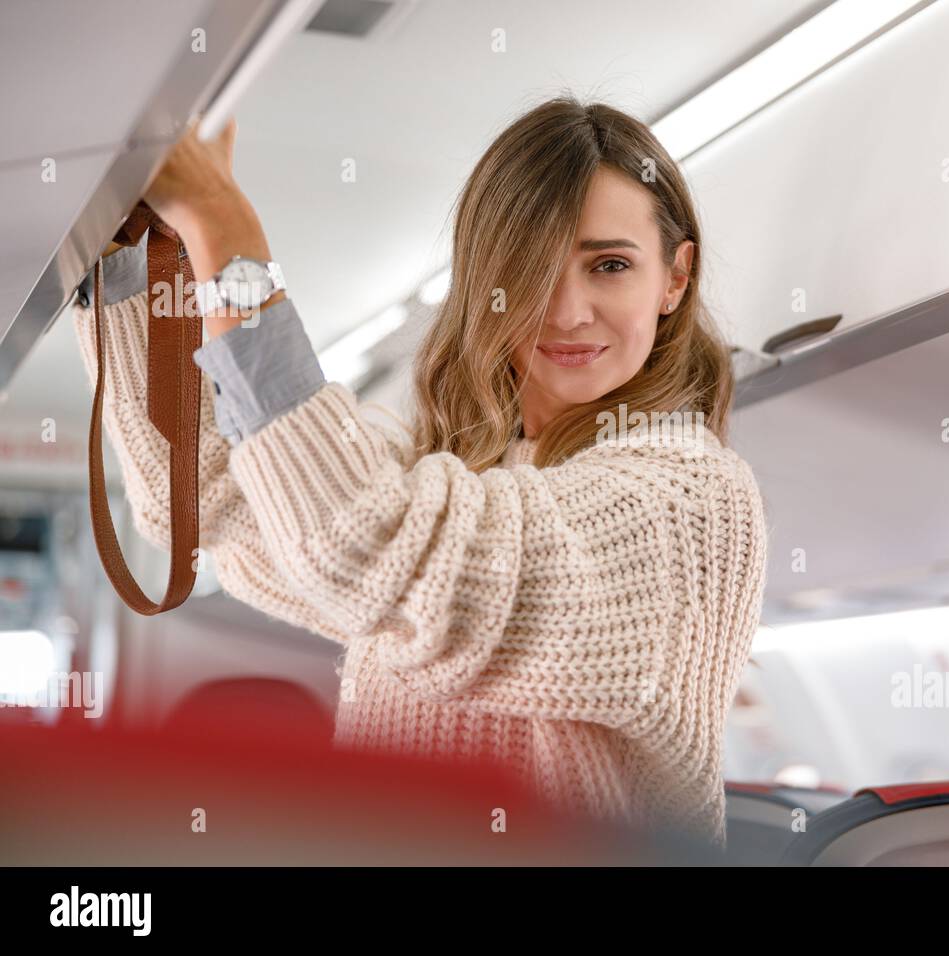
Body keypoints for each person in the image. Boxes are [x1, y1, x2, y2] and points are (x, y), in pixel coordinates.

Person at [71, 95, 768, 850]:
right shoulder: (459, 481)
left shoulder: (693, 500)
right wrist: (127, 269)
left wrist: (219, 224)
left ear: (674, 278)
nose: (567, 311)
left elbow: (370, 542)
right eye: (528, 269)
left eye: (609, 265)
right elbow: (207, 502)